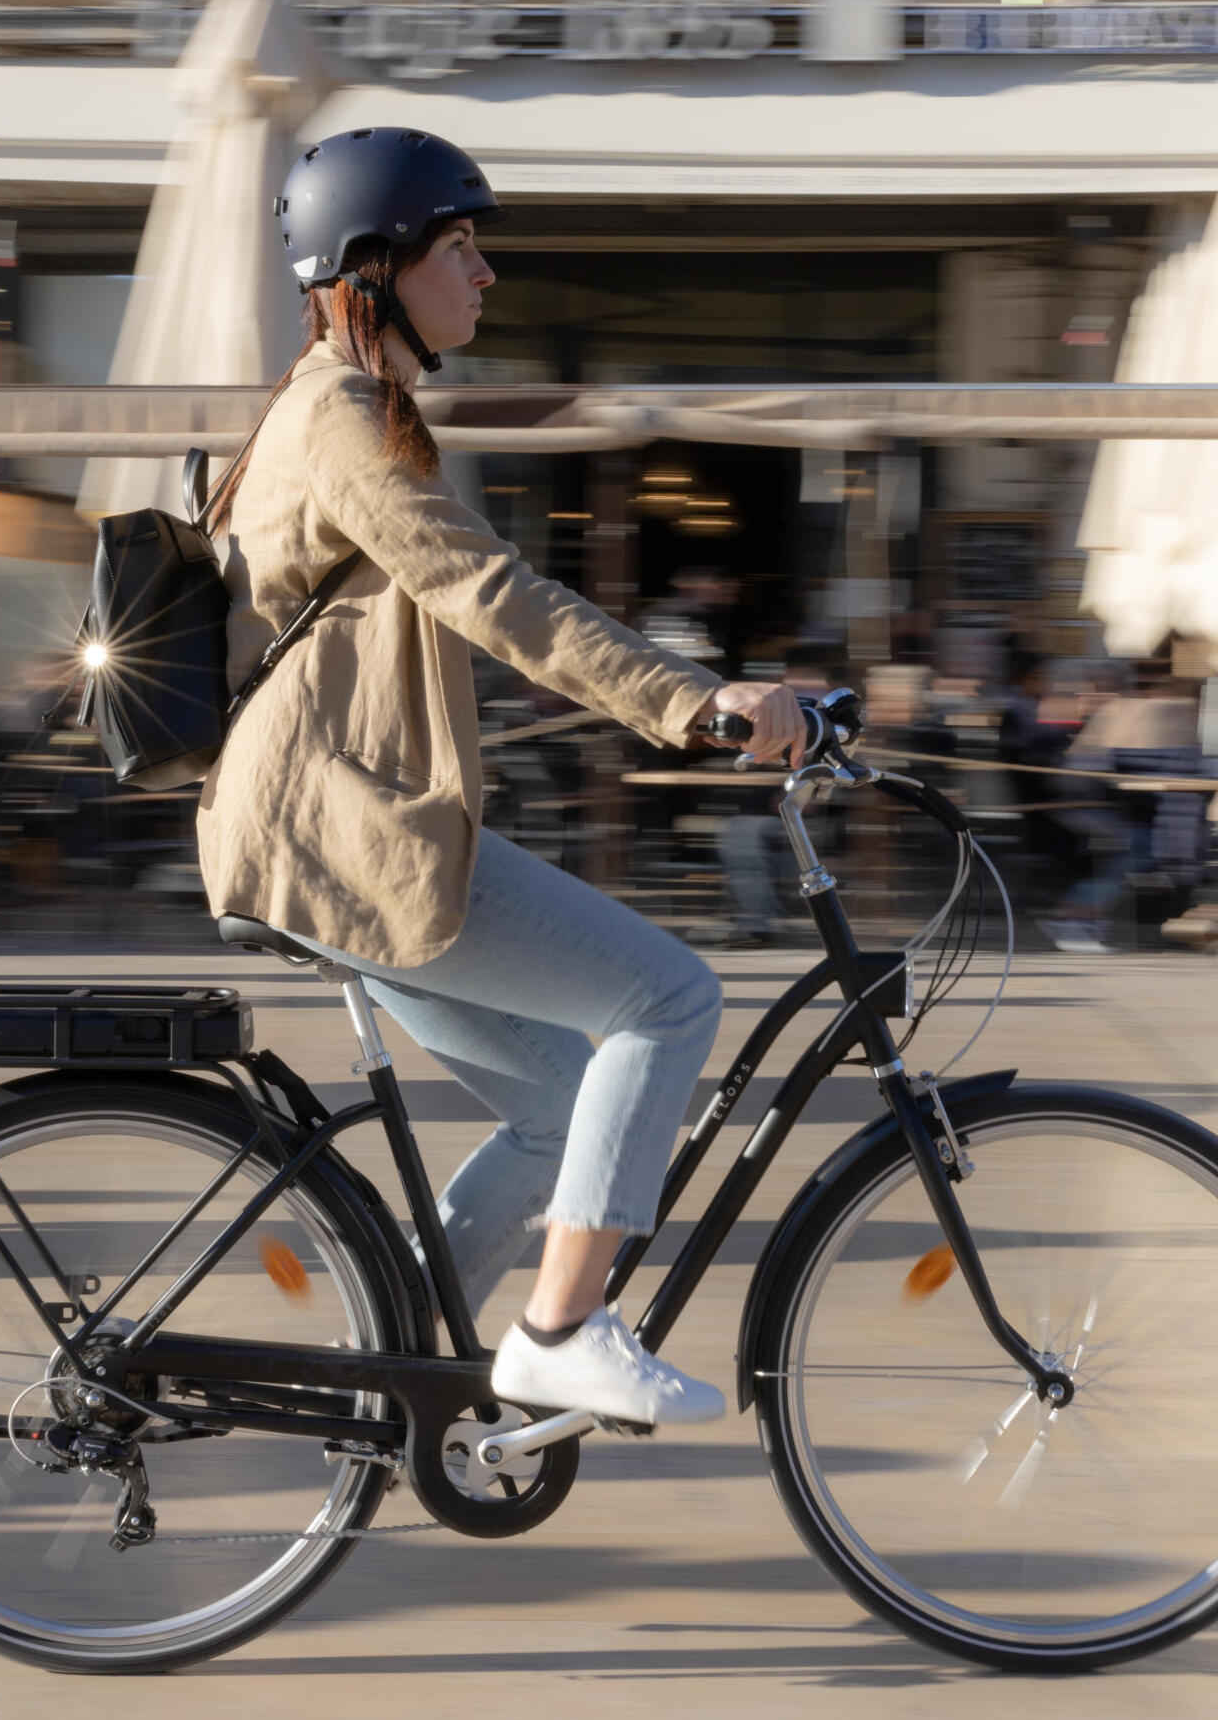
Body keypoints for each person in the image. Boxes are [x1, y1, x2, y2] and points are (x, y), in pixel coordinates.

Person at [195, 129, 805, 1429]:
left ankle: (400, 1375)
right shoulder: (343, 414)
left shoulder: (336, 406)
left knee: (558, 1110)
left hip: (322, 828)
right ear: (377, 265)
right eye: (458, 248)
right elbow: (487, 593)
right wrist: (697, 705)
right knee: (667, 996)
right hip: (341, 832)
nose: (484, 275)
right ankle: (562, 1327)